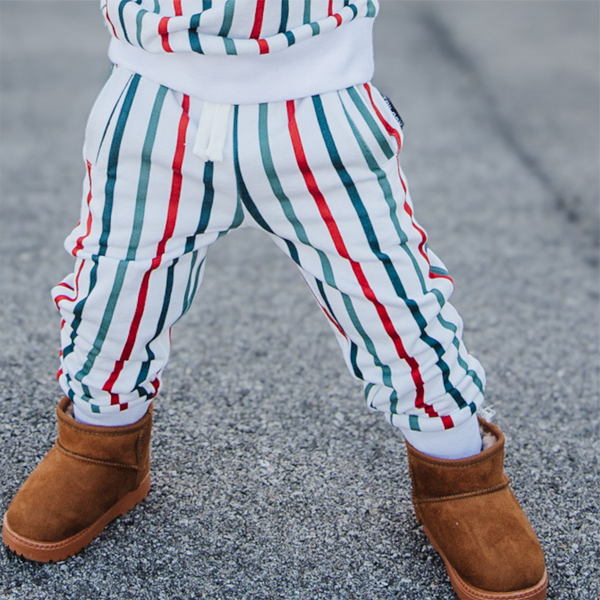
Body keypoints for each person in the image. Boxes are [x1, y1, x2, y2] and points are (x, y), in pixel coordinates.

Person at [2, 1, 547, 598]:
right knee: (115, 286)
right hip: (152, 96)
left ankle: (457, 470)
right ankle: (103, 442)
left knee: (389, 294)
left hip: (318, 101)